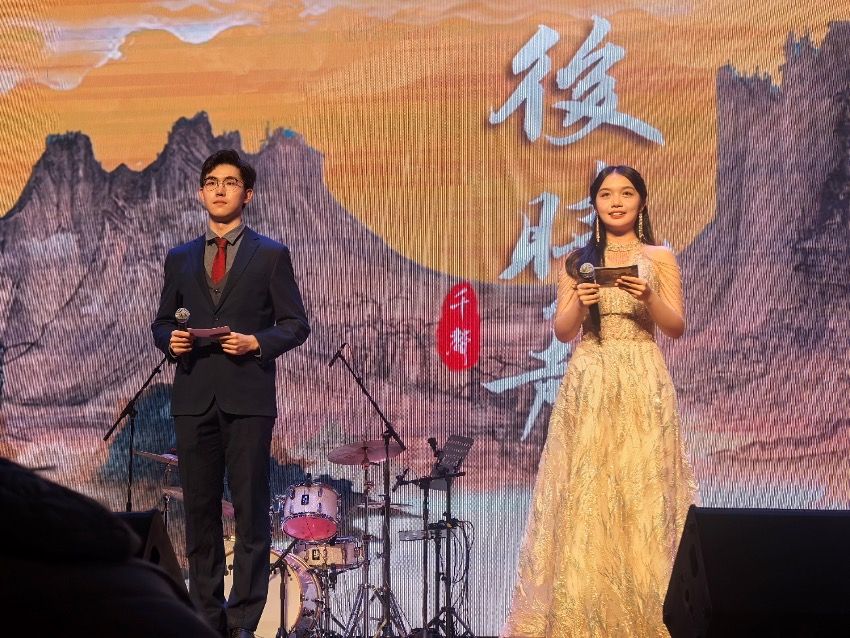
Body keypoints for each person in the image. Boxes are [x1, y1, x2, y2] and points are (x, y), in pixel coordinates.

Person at [502, 166, 697, 637]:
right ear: (594, 204)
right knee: (588, 491)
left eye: (626, 193)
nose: (616, 202)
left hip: (641, 377)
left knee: (642, 487)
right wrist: (579, 299)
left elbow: (675, 326)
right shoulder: (578, 261)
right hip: (590, 376)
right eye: (607, 194)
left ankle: (650, 612)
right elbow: (563, 331)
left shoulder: (659, 256)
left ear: (641, 202)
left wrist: (649, 295)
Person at [151, 149, 310, 638]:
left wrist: (256, 342)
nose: (220, 190)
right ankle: (205, 618)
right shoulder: (180, 258)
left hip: (247, 401)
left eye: (231, 182)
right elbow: (162, 322)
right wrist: (171, 341)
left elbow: (295, 324)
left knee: (250, 512)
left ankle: (242, 622)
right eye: (212, 182)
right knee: (198, 513)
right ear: (201, 193)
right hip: (194, 398)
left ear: (248, 194)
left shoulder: (271, 255)